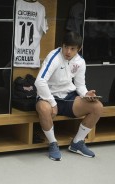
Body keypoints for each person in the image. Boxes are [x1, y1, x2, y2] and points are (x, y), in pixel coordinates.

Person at [34, 31, 103, 161]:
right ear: (62, 45)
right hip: (48, 97)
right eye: (66, 47)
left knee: (97, 107)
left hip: (68, 97)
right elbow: (40, 82)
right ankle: (53, 143)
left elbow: (80, 85)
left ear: (79, 49)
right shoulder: (54, 56)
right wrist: (53, 103)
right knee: (44, 109)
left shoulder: (80, 62)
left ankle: (77, 143)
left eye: (72, 49)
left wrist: (86, 94)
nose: (68, 52)